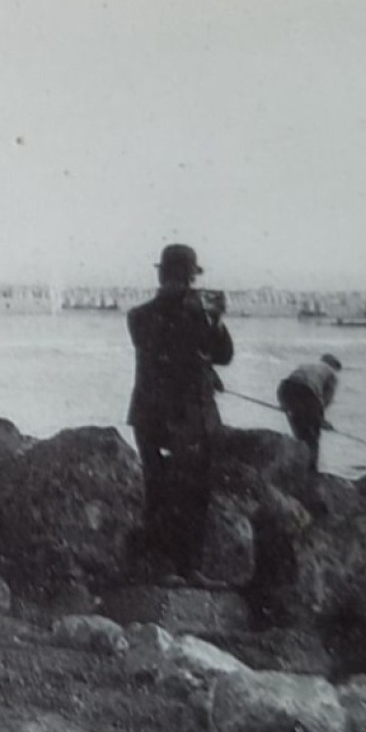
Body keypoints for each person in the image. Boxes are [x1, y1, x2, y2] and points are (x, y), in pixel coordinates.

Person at [126, 244, 234, 582]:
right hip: (169, 417)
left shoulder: (184, 314)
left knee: (188, 492)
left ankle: (187, 568)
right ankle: (167, 568)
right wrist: (201, 316)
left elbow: (223, 355)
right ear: (186, 277)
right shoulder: (144, 316)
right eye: (186, 277)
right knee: (168, 492)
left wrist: (213, 322)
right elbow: (174, 346)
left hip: (181, 418)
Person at [277, 354, 342, 474]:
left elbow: (290, 381)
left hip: (285, 389)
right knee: (313, 437)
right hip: (306, 391)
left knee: (300, 433)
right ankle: (311, 471)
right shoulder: (331, 373)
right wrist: (321, 420)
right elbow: (325, 399)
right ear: (335, 367)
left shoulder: (307, 365)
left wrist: (284, 404)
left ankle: (298, 466)